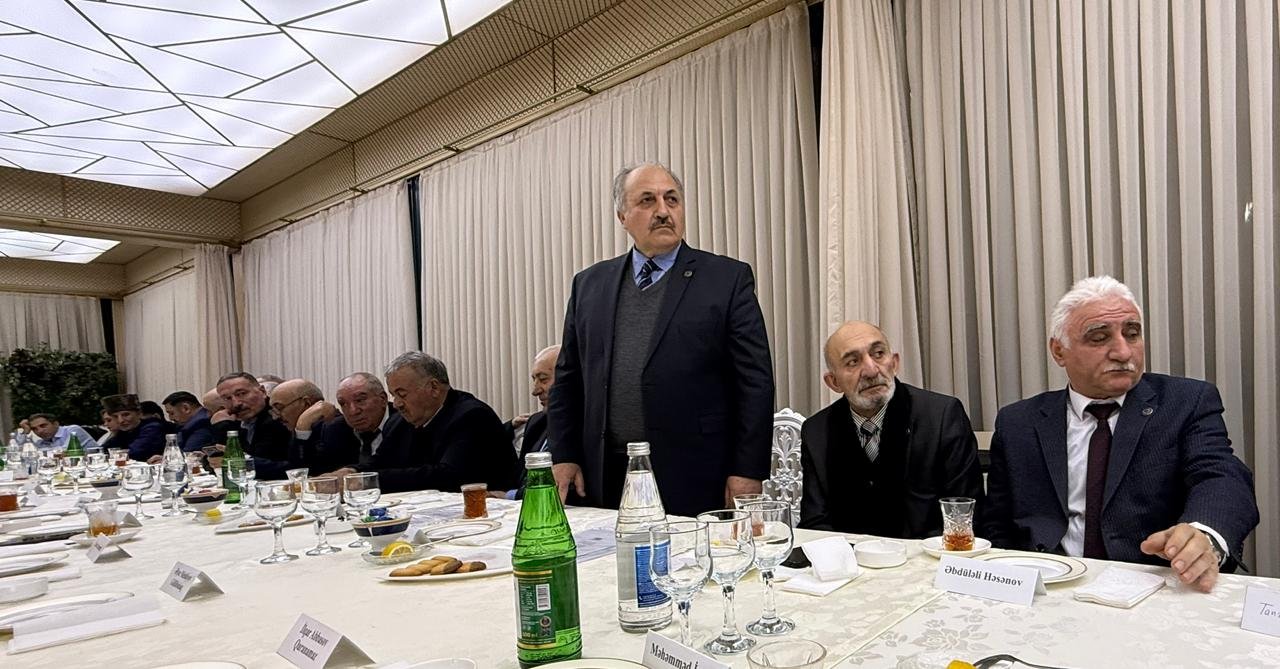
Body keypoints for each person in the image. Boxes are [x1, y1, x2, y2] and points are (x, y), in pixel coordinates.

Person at [980, 276, 1259, 592]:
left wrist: (1204, 534)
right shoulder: (1019, 422)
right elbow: (997, 524)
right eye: (1099, 338)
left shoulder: (1186, 403)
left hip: (1154, 585)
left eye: (1132, 334)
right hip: (1048, 588)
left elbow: (1220, 477)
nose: (1123, 352)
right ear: (1059, 351)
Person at [547, 163, 775, 517]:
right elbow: (568, 380)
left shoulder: (726, 279)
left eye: (672, 199)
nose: (663, 211)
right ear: (622, 216)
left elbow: (755, 382)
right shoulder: (589, 285)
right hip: (604, 472)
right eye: (647, 200)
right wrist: (564, 455)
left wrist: (748, 469)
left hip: (696, 471)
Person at [799, 322, 984, 538]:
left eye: (878, 354)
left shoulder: (942, 416)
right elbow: (814, 524)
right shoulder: (817, 432)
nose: (871, 370)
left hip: (928, 555)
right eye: (852, 362)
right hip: (849, 557)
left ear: (894, 363)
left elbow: (965, 515)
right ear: (833, 382)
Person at [328, 352, 514, 494]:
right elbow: (382, 461)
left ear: (433, 388)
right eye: (394, 395)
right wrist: (351, 471)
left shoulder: (472, 416)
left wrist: (369, 481)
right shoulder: (399, 421)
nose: (397, 404)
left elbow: (448, 477)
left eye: (402, 394)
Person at [497, 345, 561, 499]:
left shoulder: (592, 427)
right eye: (534, 380)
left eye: (543, 379)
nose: (535, 391)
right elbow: (519, 479)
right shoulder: (536, 422)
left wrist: (509, 496)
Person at [312, 372, 397, 475]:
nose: (353, 411)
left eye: (359, 400)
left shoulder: (405, 422)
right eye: (343, 404)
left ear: (382, 399)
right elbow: (315, 473)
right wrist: (301, 427)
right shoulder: (335, 430)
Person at [215, 372, 292, 478]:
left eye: (241, 394)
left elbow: (294, 468)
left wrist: (242, 462)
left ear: (263, 392)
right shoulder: (235, 422)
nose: (236, 403)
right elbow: (215, 457)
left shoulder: (281, 418)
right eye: (227, 398)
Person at [269, 379, 336, 468]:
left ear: (307, 403)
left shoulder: (335, 426)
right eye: (273, 410)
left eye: (279, 408)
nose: (275, 417)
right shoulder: (295, 428)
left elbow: (308, 470)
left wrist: (302, 428)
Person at [101, 393, 168, 462]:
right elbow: (101, 452)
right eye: (115, 416)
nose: (120, 420)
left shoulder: (152, 427)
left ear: (139, 414)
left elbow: (135, 453)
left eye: (126, 415)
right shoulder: (123, 432)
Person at [27, 414, 96, 453]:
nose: (39, 431)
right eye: (34, 429)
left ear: (56, 424)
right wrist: (25, 432)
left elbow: (64, 453)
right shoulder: (41, 443)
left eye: (43, 426)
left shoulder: (73, 430)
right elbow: (27, 457)